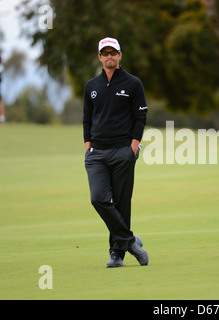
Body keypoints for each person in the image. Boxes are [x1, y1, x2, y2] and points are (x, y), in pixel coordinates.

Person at [83, 37, 149, 268]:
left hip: (123, 150)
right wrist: (87, 145)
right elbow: (87, 119)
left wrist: (133, 145)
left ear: (120, 55)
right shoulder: (91, 86)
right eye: (105, 52)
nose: (109, 56)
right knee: (98, 198)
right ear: (100, 56)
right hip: (97, 153)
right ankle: (130, 241)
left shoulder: (133, 83)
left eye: (114, 52)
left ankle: (116, 255)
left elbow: (140, 116)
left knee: (122, 203)